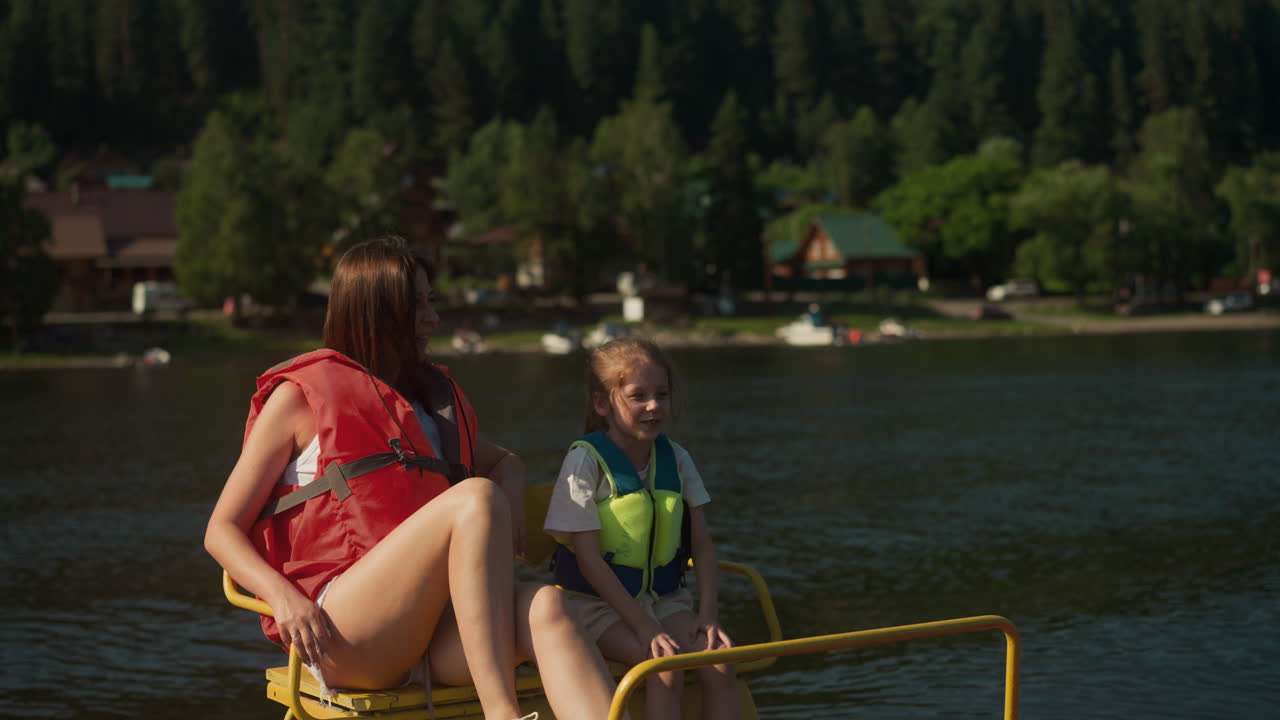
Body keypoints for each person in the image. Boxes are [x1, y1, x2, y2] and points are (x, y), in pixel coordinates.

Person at [205, 236, 617, 720]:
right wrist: (284, 600)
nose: (433, 319)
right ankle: (501, 714)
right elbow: (221, 530)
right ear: (376, 313)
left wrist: (511, 478)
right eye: (416, 306)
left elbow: (502, 461)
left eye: (430, 301)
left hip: (431, 632)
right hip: (342, 633)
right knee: (475, 498)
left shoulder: (425, 407)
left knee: (550, 607)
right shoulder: (299, 399)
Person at [544, 338, 740, 720]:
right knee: (663, 667)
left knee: (720, 660)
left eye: (661, 395)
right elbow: (588, 560)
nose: (654, 405)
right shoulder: (586, 462)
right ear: (602, 404)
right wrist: (643, 626)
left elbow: (701, 544)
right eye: (638, 396)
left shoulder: (676, 458)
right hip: (596, 608)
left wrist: (708, 615)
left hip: (665, 601)